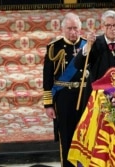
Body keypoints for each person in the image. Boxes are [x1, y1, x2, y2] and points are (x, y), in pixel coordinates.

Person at [43, 12, 89, 167]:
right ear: (63, 29)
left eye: (75, 28)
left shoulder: (88, 45)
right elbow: (47, 78)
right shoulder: (54, 48)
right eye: (69, 28)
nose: (73, 32)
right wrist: (48, 104)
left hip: (85, 96)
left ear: (80, 29)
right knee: (67, 136)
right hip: (63, 97)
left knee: (86, 134)